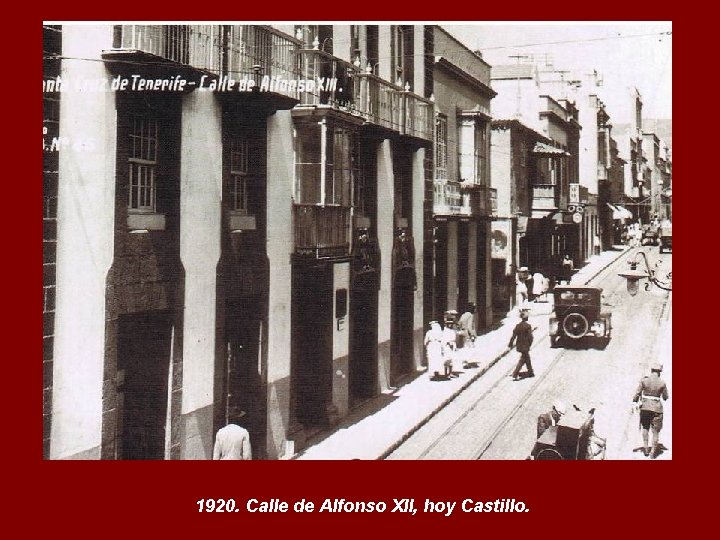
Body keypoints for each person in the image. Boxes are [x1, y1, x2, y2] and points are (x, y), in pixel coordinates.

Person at [632, 362, 669, 458]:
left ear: (651, 370)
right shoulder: (662, 383)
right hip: (657, 409)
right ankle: (652, 453)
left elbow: (637, 393)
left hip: (645, 408)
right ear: (659, 372)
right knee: (656, 431)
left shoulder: (644, 381)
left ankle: (645, 449)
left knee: (645, 427)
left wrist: (635, 400)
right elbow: (665, 397)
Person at [508, 309, 534, 381]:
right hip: (525, 346)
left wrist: (510, 344)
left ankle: (530, 372)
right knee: (522, 360)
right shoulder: (528, 326)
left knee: (527, 358)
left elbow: (513, 336)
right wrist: (529, 344)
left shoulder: (517, 326)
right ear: (526, 318)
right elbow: (531, 337)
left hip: (519, 346)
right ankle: (515, 374)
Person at [457, 303, 477, 368]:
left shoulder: (463, 315)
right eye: (474, 308)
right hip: (467, 334)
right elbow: (469, 327)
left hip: (462, 333)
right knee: (469, 348)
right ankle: (466, 363)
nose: (475, 309)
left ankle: (464, 362)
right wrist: (472, 335)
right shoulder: (470, 315)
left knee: (464, 348)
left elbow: (459, 324)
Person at [442, 312, 458, 378]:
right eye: (448, 324)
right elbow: (444, 339)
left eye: (451, 324)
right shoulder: (445, 331)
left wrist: (454, 346)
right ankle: (446, 373)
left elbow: (454, 338)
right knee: (446, 360)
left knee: (451, 359)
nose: (450, 325)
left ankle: (450, 372)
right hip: (447, 346)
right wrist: (448, 343)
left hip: (452, 346)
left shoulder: (452, 331)